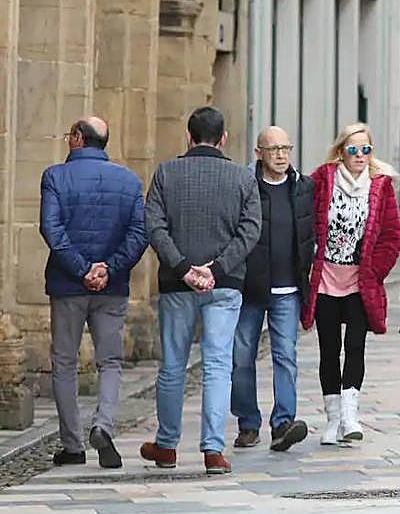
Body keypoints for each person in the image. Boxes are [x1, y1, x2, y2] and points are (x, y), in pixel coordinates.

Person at [140, 107, 262, 476]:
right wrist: (217, 269)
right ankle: (213, 449)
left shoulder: (166, 173)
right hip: (224, 284)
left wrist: (183, 268)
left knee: (173, 365)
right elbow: (250, 230)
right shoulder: (242, 178)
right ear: (224, 138)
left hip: (177, 284)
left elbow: (154, 226)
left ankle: (166, 444)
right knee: (218, 365)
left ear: (188, 137)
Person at [40, 117, 147, 469]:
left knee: (65, 362)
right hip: (111, 288)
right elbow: (139, 234)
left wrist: (81, 269)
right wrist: (108, 269)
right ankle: (103, 425)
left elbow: (51, 229)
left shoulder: (55, 177)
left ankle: (72, 445)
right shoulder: (129, 180)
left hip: (67, 285)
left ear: (77, 137)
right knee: (110, 361)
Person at [302, 123, 400, 446]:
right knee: (329, 349)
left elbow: (392, 236)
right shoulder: (322, 180)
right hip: (326, 279)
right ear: (341, 151)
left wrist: (374, 271)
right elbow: (304, 221)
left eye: (366, 150)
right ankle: (332, 419)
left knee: (355, 346)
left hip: (361, 282)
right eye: (353, 149)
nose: (360, 156)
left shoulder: (380, 186)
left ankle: (350, 416)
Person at [230, 126, 315, 453]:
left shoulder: (303, 187)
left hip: (288, 288)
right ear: (259, 153)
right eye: (273, 149)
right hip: (250, 289)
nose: (280, 155)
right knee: (242, 357)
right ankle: (248, 424)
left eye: (285, 149)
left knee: (285, 356)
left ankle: (283, 423)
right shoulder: (245, 186)